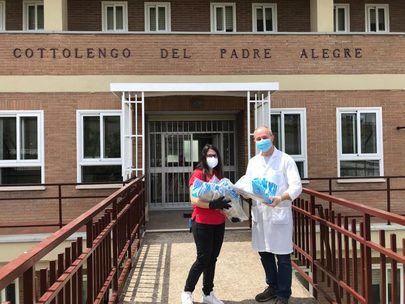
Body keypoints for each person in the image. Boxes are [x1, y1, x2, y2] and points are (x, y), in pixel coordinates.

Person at [245, 126, 302, 304]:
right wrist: (242, 191)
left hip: (279, 212)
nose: (262, 141)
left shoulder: (285, 160)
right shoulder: (253, 162)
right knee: (265, 253)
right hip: (261, 215)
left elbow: (296, 186)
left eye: (264, 137)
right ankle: (272, 286)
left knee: (283, 257)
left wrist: (280, 198)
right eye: (258, 139)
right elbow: (248, 184)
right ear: (254, 142)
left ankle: (283, 293)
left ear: (272, 137)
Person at [181, 144, 231, 304]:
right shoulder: (197, 173)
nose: (212, 158)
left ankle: (208, 293)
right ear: (203, 157)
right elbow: (194, 199)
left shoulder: (218, 174)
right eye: (209, 155)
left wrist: (229, 208)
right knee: (203, 258)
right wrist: (211, 205)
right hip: (202, 222)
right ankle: (187, 292)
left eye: (215, 155)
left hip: (218, 222)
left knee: (213, 258)